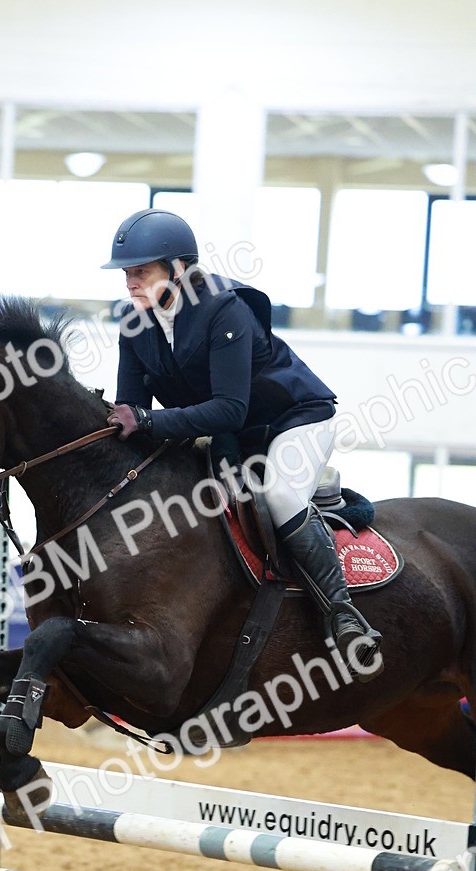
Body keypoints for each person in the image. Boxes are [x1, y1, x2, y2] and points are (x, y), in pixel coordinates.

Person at [102, 207, 382, 677]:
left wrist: (146, 419)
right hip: (232, 434)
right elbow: (135, 410)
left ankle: (343, 615)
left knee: (278, 493)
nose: (130, 282)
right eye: (127, 273)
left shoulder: (223, 309)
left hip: (293, 420)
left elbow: (228, 407)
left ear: (178, 269)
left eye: (140, 271)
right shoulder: (136, 325)